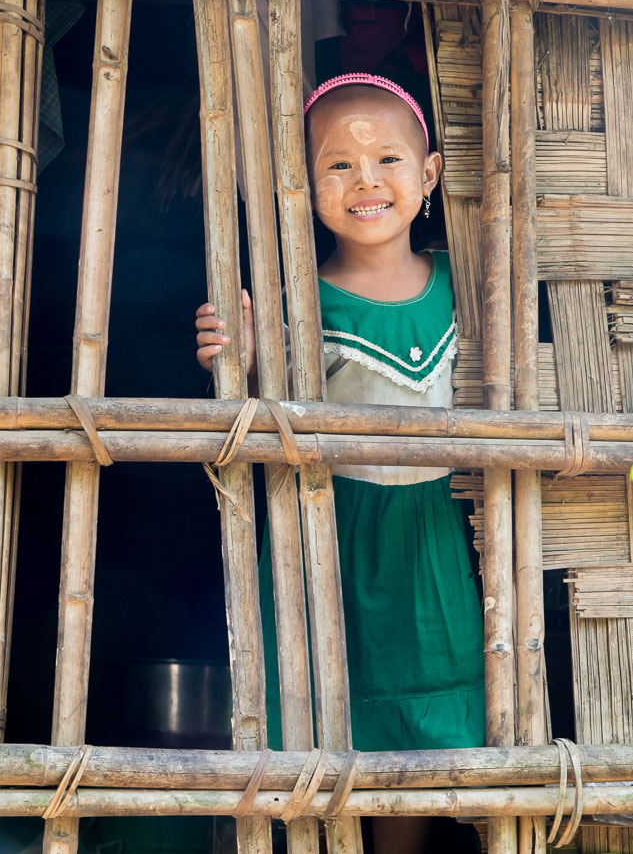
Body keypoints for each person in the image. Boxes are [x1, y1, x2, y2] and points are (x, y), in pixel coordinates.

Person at [195, 73, 485, 854]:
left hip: (435, 540)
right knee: (332, 721)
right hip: (334, 536)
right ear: (304, 181)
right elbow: (264, 414)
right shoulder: (300, 305)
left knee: (421, 740)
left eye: (388, 159)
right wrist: (245, 360)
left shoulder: (474, 290)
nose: (366, 182)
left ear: (428, 178)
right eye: (338, 165)